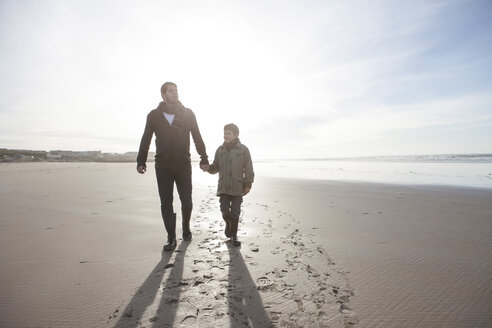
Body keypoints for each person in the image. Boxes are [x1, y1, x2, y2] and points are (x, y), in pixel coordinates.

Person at [137, 82, 209, 251]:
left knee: (187, 200)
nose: (175, 93)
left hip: (183, 163)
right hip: (163, 165)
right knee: (166, 202)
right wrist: (141, 161)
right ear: (163, 94)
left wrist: (204, 158)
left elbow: (197, 137)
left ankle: (185, 227)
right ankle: (171, 237)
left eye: (176, 90)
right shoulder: (154, 115)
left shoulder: (188, 114)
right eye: (171, 91)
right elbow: (146, 138)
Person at [206, 123, 254, 246]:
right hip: (224, 187)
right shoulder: (220, 150)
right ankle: (228, 224)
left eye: (228, 133)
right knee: (225, 210)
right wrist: (209, 168)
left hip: (238, 187)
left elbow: (248, 167)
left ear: (236, 135)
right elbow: (215, 166)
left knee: (235, 212)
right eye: (224, 133)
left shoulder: (243, 150)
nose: (225, 136)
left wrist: (248, 183)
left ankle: (234, 235)